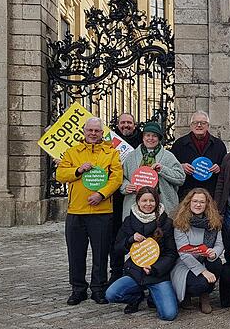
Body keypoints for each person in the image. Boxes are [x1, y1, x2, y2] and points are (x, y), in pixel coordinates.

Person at [56, 116, 123, 306]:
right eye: (90, 130)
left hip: (101, 211)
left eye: (97, 131)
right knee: (76, 253)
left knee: (101, 253)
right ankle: (78, 289)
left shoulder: (111, 153)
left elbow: (116, 179)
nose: (93, 134)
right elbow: (60, 174)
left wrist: (101, 194)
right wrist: (78, 170)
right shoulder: (72, 152)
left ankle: (98, 288)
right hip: (76, 211)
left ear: (103, 133)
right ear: (84, 132)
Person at [105, 187, 178, 321]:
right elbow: (118, 248)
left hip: (158, 275)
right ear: (138, 201)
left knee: (169, 314)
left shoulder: (166, 223)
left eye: (151, 201)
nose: (148, 204)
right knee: (111, 294)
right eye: (144, 200)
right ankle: (137, 297)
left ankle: (154, 295)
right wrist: (130, 240)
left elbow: (171, 253)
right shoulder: (129, 221)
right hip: (135, 272)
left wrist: (154, 268)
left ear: (156, 202)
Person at [170, 188, 224, 314]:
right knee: (200, 283)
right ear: (189, 202)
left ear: (207, 204)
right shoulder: (180, 222)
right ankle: (188, 293)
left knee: (216, 264)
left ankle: (205, 296)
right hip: (185, 264)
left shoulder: (214, 221)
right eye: (194, 201)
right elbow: (183, 253)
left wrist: (214, 253)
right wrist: (203, 271)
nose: (198, 204)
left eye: (202, 202)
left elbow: (219, 244)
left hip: (206, 259)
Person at [120, 122, 185, 218]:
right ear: (143, 137)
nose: (150, 138)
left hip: (162, 205)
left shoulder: (168, 157)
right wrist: (125, 186)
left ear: (159, 138)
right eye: (147, 135)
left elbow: (181, 178)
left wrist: (163, 170)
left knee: (162, 232)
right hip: (135, 205)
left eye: (154, 136)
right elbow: (121, 177)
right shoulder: (131, 156)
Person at [110, 112, 142, 283]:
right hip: (114, 197)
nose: (126, 126)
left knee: (137, 236)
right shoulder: (109, 142)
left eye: (129, 122)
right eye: (123, 123)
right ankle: (115, 272)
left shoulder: (142, 142)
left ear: (135, 125)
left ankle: (136, 270)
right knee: (115, 237)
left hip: (136, 199)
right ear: (118, 125)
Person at [170, 111, 227, 199]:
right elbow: (171, 167)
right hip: (186, 194)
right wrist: (181, 167)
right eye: (195, 123)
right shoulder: (180, 144)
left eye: (203, 123)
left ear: (208, 126)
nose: (199, 125)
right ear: (191, 126)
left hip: (211, 193)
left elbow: (225, 168)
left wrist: (219, 168)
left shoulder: (218, 145)